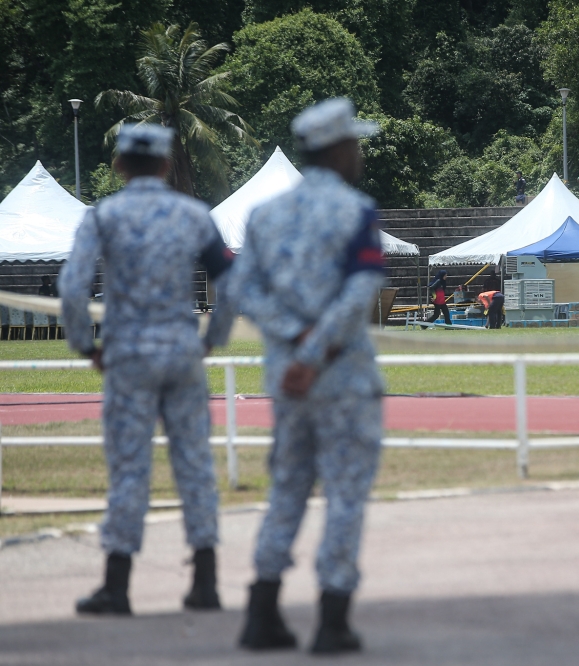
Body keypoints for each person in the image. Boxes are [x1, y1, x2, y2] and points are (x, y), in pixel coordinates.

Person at [59, 124, 236, 617]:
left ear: (119, 164)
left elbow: (72, 287)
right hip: (181, 351)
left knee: (129, 467)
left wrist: (84, 347)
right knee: (195, 464)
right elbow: (231, 283)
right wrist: (211, 341)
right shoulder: (193, 215)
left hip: (128, 354)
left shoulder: (103, 216)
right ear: (165, 164)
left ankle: (117, 586)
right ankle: (206, 581)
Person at [230, 98, 386, 654]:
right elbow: (359, 291)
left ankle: (262, 609)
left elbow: (242, 290)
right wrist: (316, 349)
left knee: (287, 489)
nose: (360, 155)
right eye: (356, 144)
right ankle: (332, 618)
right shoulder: (356, 210)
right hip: (340, 375)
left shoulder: (263, 215)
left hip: (287, 379)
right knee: (345, 495)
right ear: (338, 150)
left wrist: (293, 341)